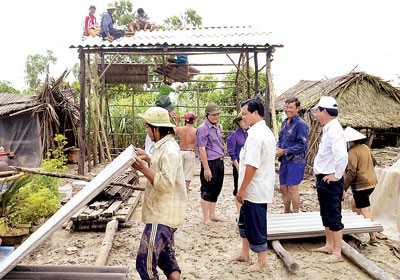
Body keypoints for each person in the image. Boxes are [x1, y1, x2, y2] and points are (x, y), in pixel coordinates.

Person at [133, 106, 187, 280]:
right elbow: (163, 167)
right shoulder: (163, 146)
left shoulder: (170, 150)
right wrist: (148, 159)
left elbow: (165, 183)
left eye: (148, 127)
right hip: (167, 213)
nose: (147, 131)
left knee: (145, 263)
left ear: (157, 128)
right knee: (168, 261)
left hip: (161, 214)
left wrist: (143, 169)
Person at [231, 98, 276, 272]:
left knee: (256, 224)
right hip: (254, 186)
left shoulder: (258, 135)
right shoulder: (259, 132)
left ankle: (262, 260)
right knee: (244, 222)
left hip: (256, 188)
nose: (243, 117)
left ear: (256, 113)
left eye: (245, 114)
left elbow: (252, 166)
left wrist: (241, 189)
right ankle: (244, 252)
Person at [312, 96, 348, 263]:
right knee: (325, 213)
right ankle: (329, 245)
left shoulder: (333, 129)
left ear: (324, 111)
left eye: (318, 111)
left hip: (331, 178)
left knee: (333, 214)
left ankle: (337, 253)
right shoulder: (329, 128)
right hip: (324, 177)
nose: (317, 115)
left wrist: (337, 175)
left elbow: (342, 154)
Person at [343, 127, 378, 243]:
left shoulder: (352, 152)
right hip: (371, 182)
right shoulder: (365, 148)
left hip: (361, 185)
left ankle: (373, 236)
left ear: (350, 141)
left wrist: (344, 187)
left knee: (365, 210)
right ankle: (360, 226)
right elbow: (374, 162)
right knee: (354, 205)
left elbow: (351, 172)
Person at [276, 97, 309, 213]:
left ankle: (296, 213)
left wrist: (284, 151)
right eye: (286, 107)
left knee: (292, 187)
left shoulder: (301, 125)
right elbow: (281, 139)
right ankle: (286, 211)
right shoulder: (285, 122)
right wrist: (277, 148)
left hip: (296, 161)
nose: (287, 110)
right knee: (283, 188)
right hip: (284, 160)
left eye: (291, 107)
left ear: (297, 108)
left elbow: (302, 145)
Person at [195, 103, 225, 225]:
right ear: (207, 115)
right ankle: (205, 217)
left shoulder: (218, 127)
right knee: (207, 188)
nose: (216, 116)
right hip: (210, 162)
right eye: (213, 114)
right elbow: (201, 148)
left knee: (216, 188)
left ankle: (212, 214)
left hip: (219, 160)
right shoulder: (203, 129)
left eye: (217, 114)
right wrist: (206, 168)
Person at [226, 113, 248, 215]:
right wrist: (238, 168)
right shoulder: (233, 136)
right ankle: (240, 213)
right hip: (239, 165)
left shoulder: (250, 134)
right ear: (239, 122)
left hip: (249, 165)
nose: (245, 123)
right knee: (238, 187)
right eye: (243, 121)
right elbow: (232, 153)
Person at [175, 111, 197, 190]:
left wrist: (177, 122)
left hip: (180, 151)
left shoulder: (180, 129)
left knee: (179, 170)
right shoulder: (195, 131)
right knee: (188, 171)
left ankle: (180, 188)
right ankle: (186, 188)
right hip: (190, 152)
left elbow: (173, 132)